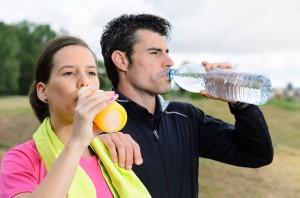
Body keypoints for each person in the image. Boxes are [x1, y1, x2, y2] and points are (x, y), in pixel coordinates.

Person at [99, 14, 274, 198]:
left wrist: (239, 103)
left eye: (167, 52)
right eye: (155, 52)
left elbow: (256, 154)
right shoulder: (100, 125)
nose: (169, 62)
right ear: (122, 60)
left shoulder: (185, 116)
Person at [0, 35, 147, 198]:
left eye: (91, 72)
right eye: (69, 73)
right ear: (43, 92)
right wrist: (76, 143)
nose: (84, 82)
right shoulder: (21, 160)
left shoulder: (111, 150)